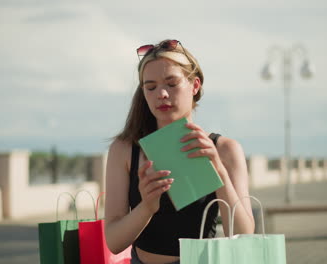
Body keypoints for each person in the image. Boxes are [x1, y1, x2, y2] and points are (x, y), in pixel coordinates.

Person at [104, 39, 255, 264]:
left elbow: (243, 234)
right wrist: (146, 207)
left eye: (171, 84)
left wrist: (219, 171)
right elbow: (114, 243)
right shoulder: (125, 150)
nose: (161, 94)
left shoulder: (225, 149)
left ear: (194, 86)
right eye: (151, 87)